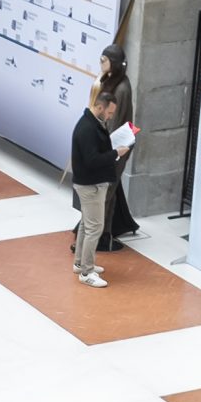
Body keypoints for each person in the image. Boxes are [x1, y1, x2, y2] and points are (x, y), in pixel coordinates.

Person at [68, 94, 120, 287]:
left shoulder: (91, 123)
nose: (110, 116)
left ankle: (80, 263)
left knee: (86, 224)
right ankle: (86, 272)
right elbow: (92, 161)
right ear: (100, 108)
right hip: (91, 185)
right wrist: (116, 153)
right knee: (95, 228)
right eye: (109, 112)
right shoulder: (88, 129)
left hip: (91, 183)